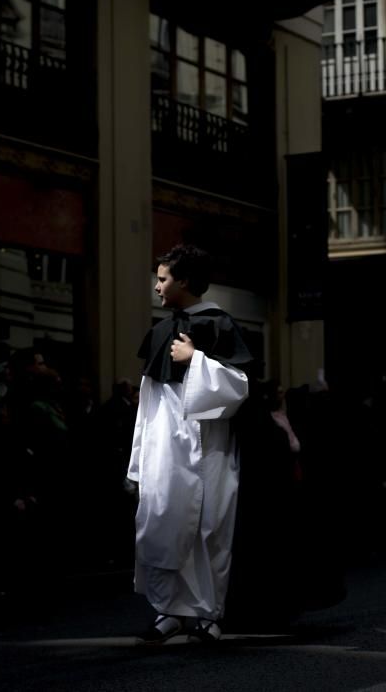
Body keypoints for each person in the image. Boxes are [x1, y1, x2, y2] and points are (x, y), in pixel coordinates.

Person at [127, 244, 253, 644]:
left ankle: (209, 614)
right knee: (163, 522)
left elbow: (239, 388)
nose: (157, 286)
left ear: (183, 281)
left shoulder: (219, 323)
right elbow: (148, 402)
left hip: (209, 441)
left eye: (162, 279)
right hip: (166, 443)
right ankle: (170, 611)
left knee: (211, 526)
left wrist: (197, 359)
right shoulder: (161, 330)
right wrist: (139, 459)